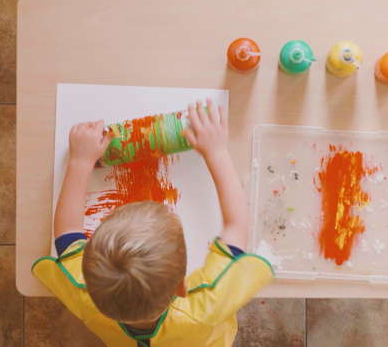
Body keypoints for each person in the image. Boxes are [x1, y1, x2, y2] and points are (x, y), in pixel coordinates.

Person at [32, 99, 274, 347]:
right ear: (182, 286)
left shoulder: (85, 296)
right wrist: (217, 152)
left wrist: (80, 161)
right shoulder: (208, 303)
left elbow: (67, 233)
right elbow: (237, 226)